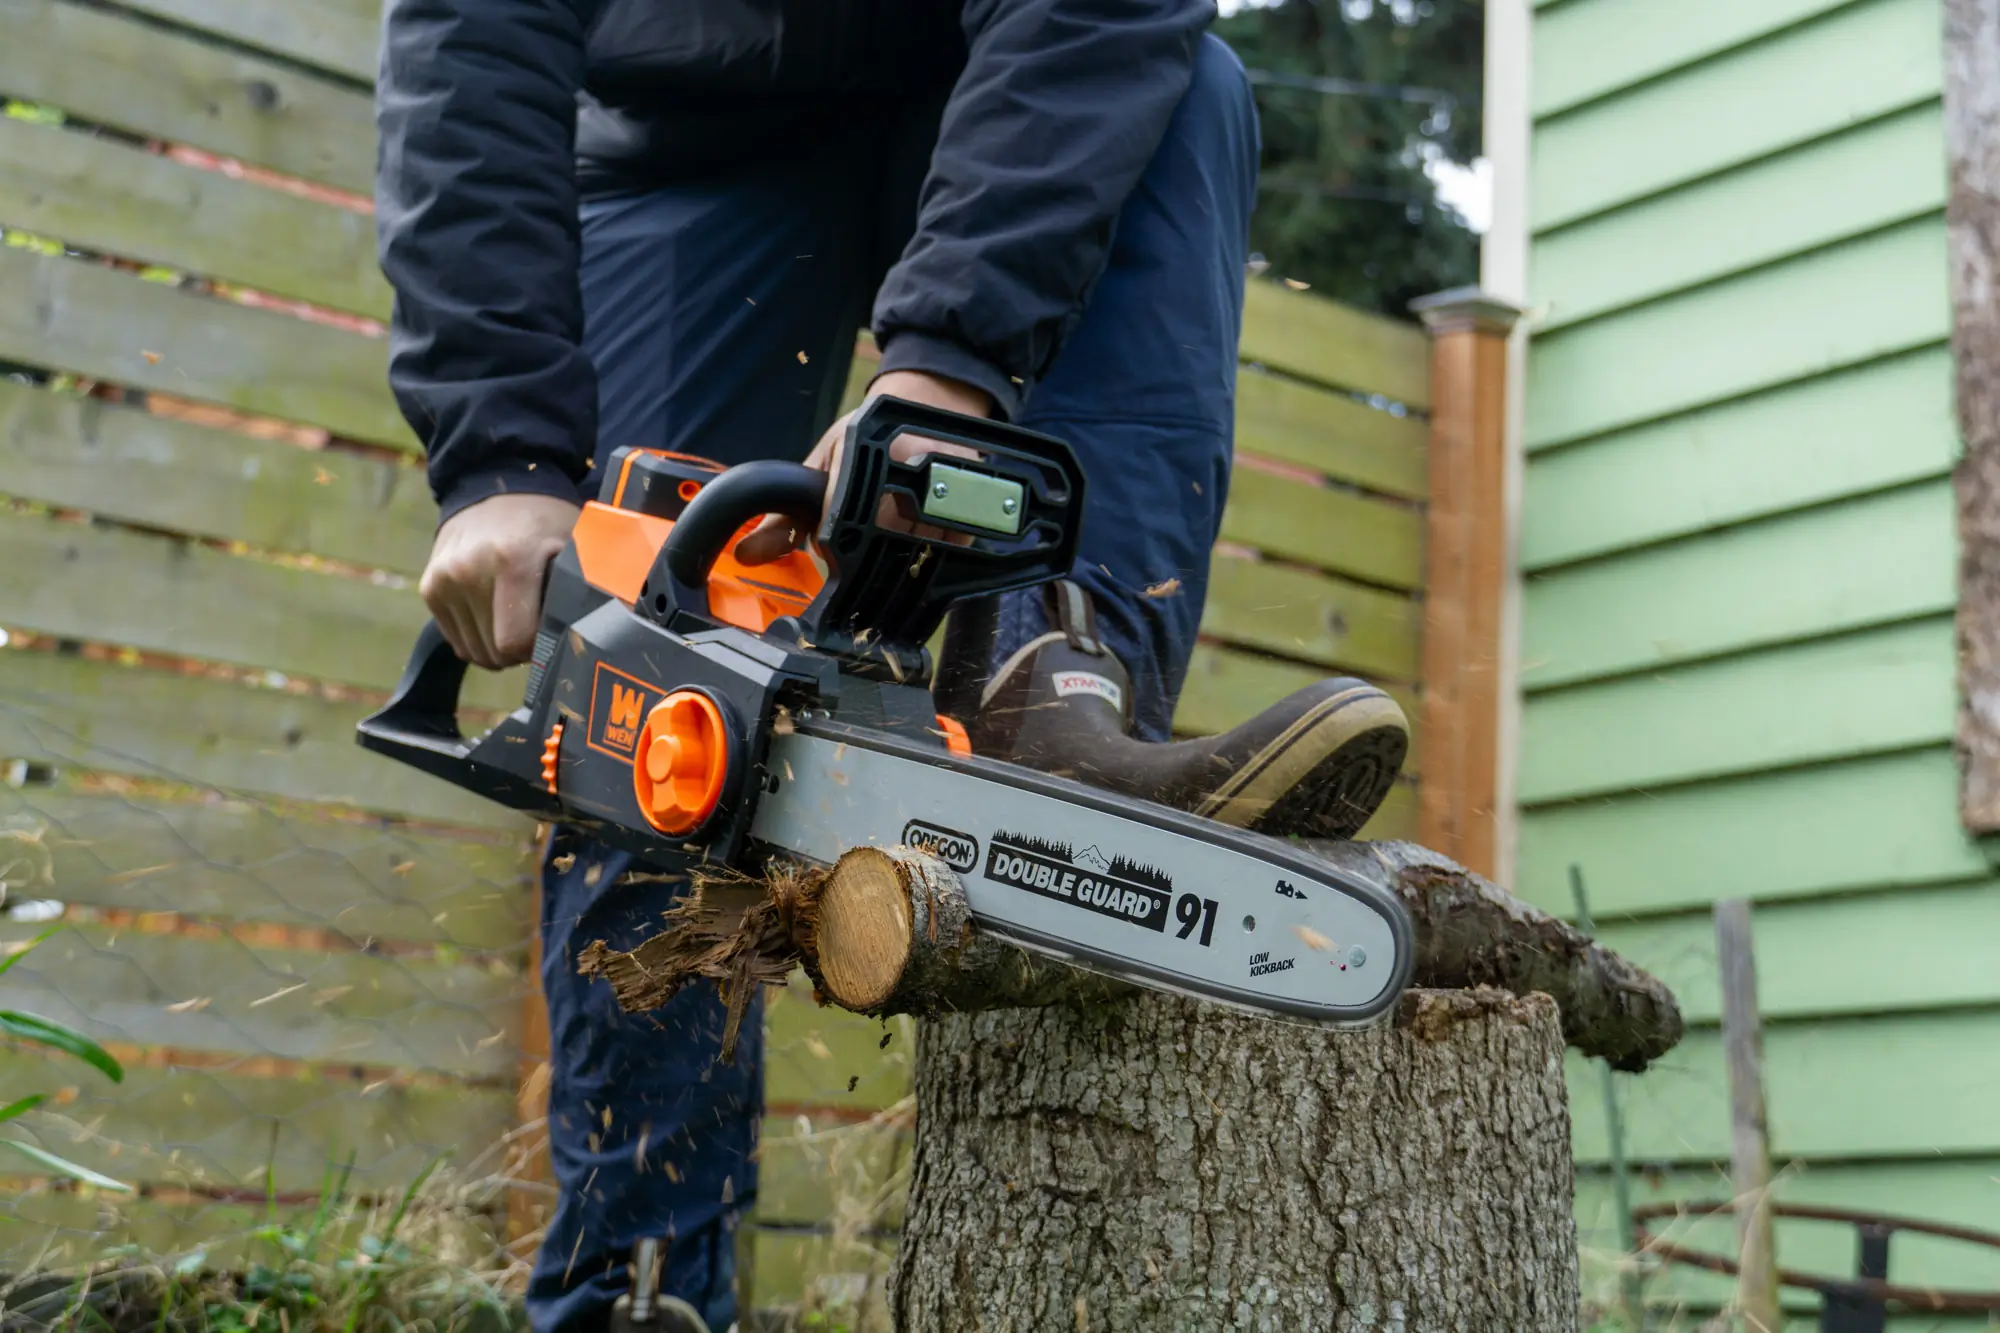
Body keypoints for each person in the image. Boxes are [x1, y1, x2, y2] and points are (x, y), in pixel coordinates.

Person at [372, 1, 1411, 1327]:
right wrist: (500, 457)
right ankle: (636, 1290)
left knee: (1187, 90)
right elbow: (476, 30)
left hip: (1022, 94)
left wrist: (953, 368)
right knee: (645, 695)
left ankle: (1053, 678)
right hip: (684, 139)